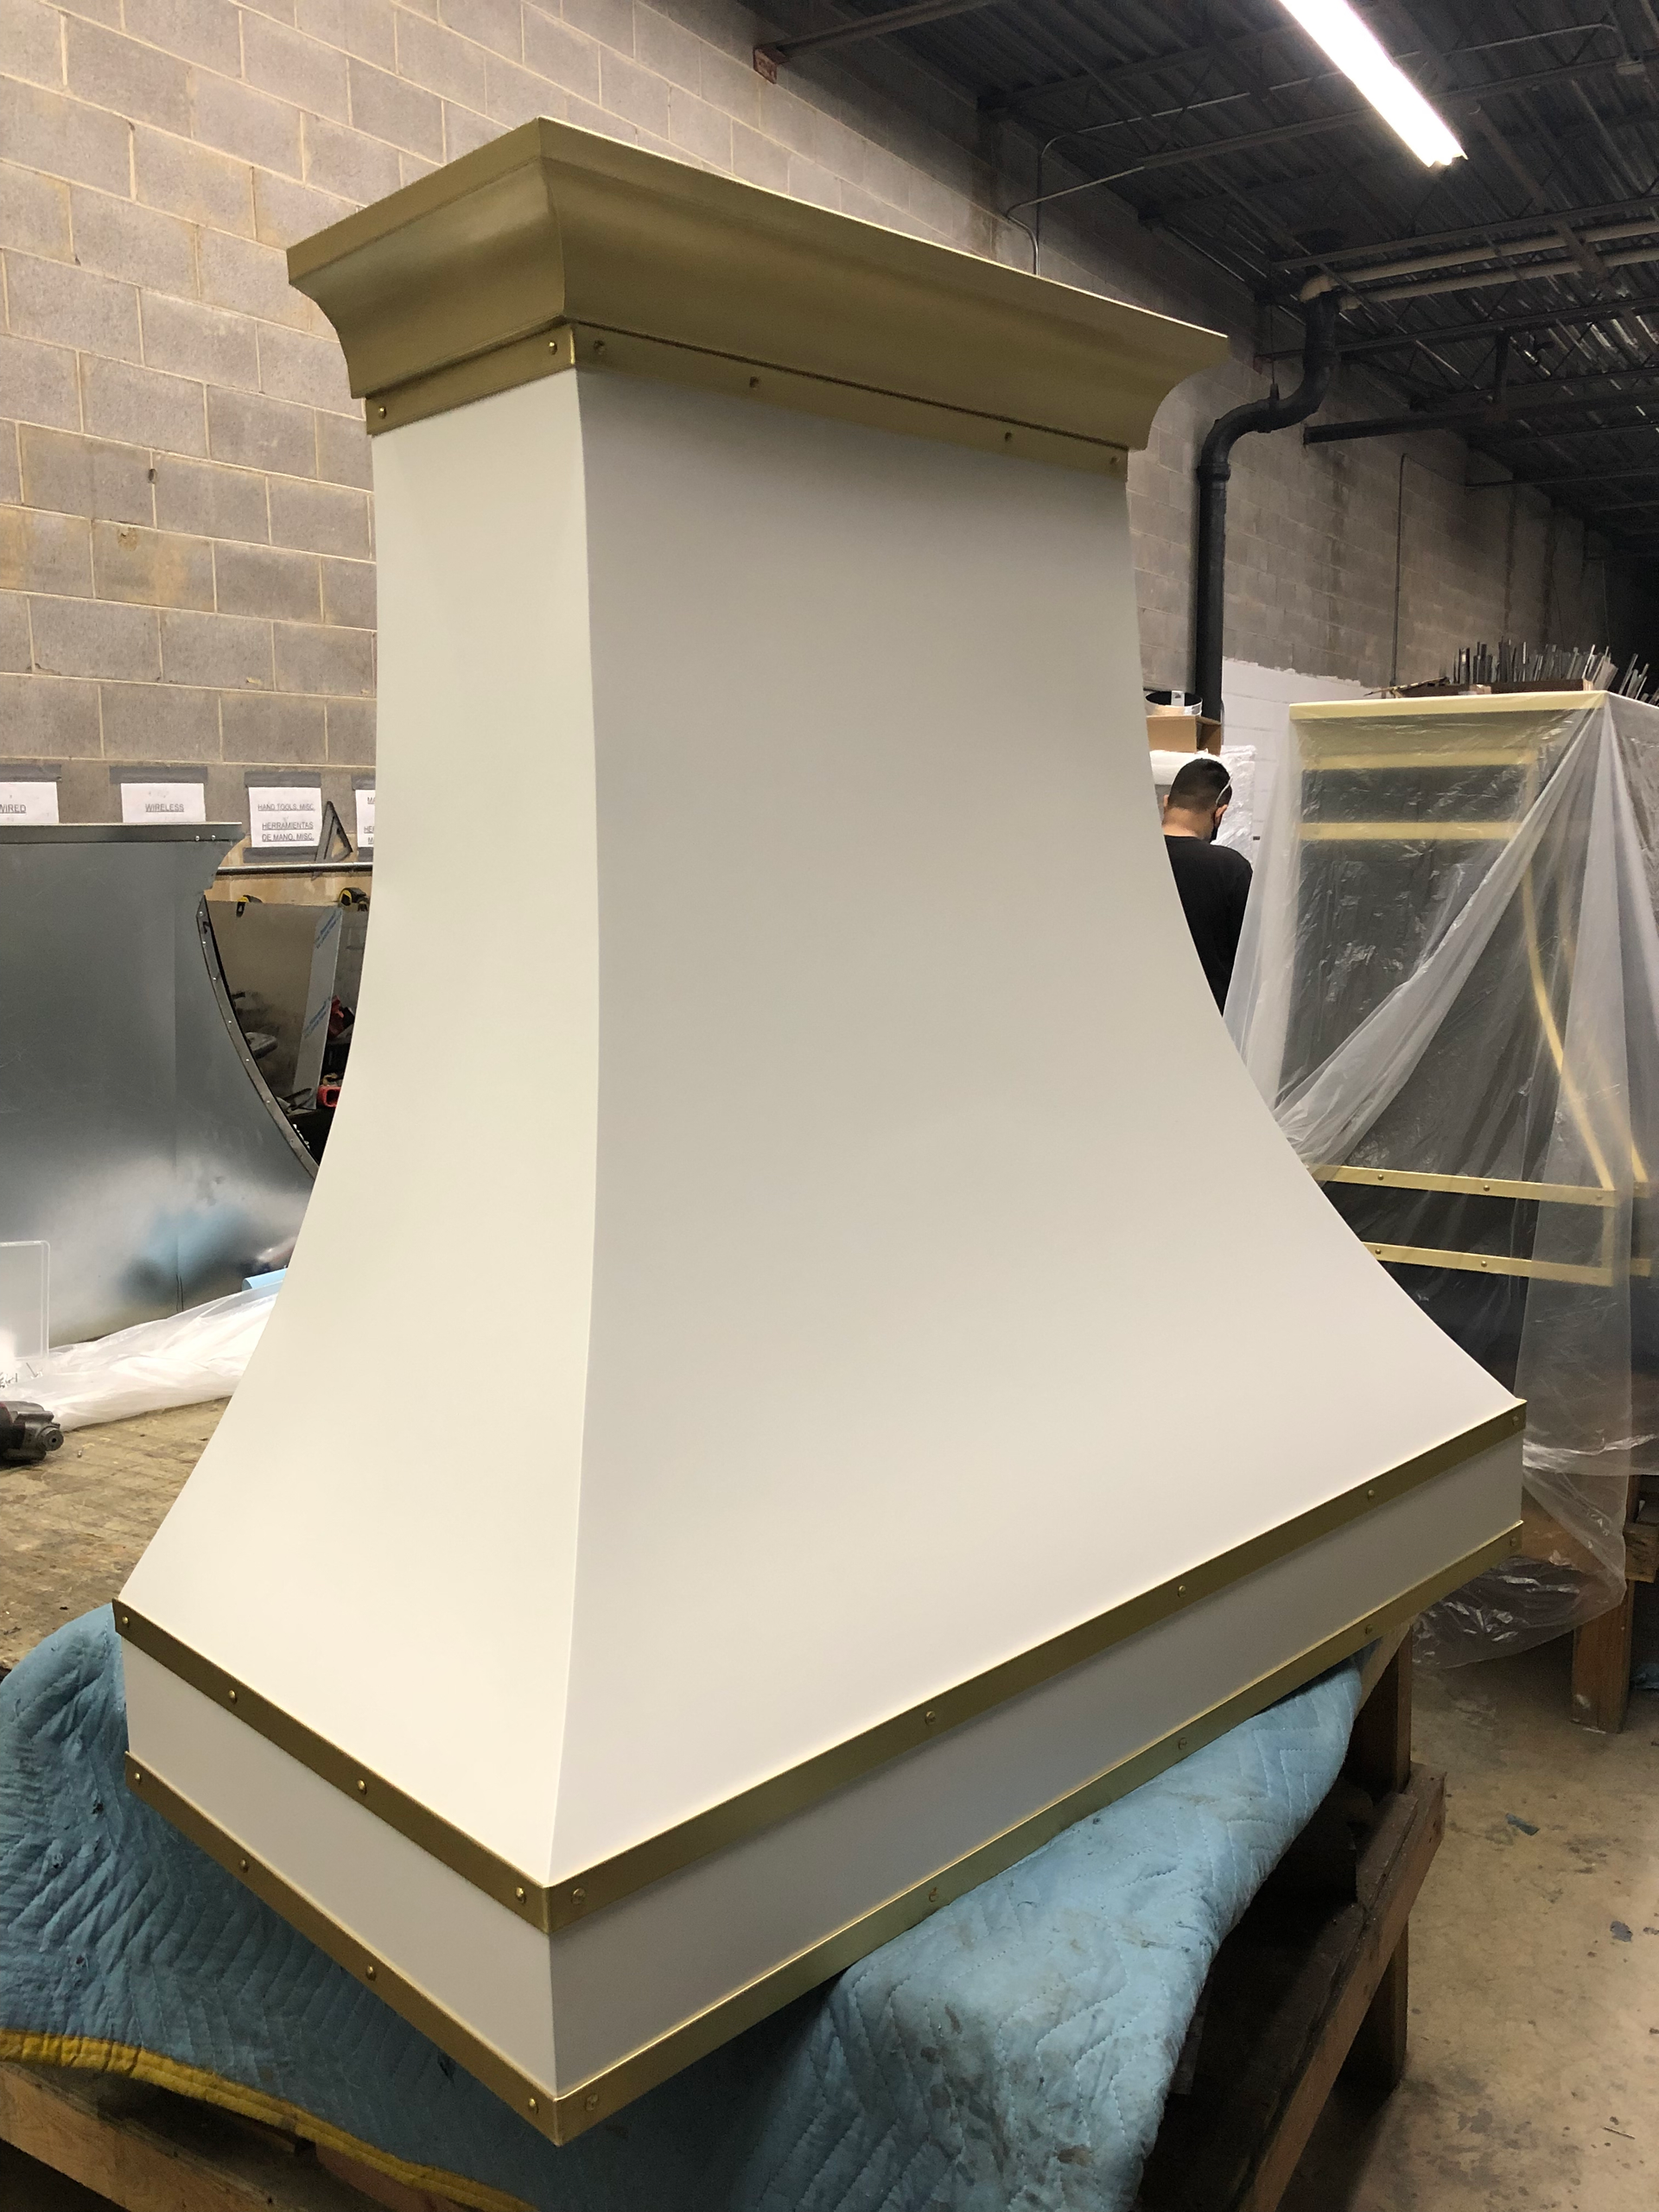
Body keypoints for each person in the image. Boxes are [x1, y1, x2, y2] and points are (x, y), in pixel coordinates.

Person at [1161, 755, 1252, 1012]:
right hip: (1211, 1027)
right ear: (1220, 814)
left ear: (1166, 803)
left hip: (1134, 1022)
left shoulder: (1125, 858)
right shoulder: (1230, 869)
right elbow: (1251, 962)